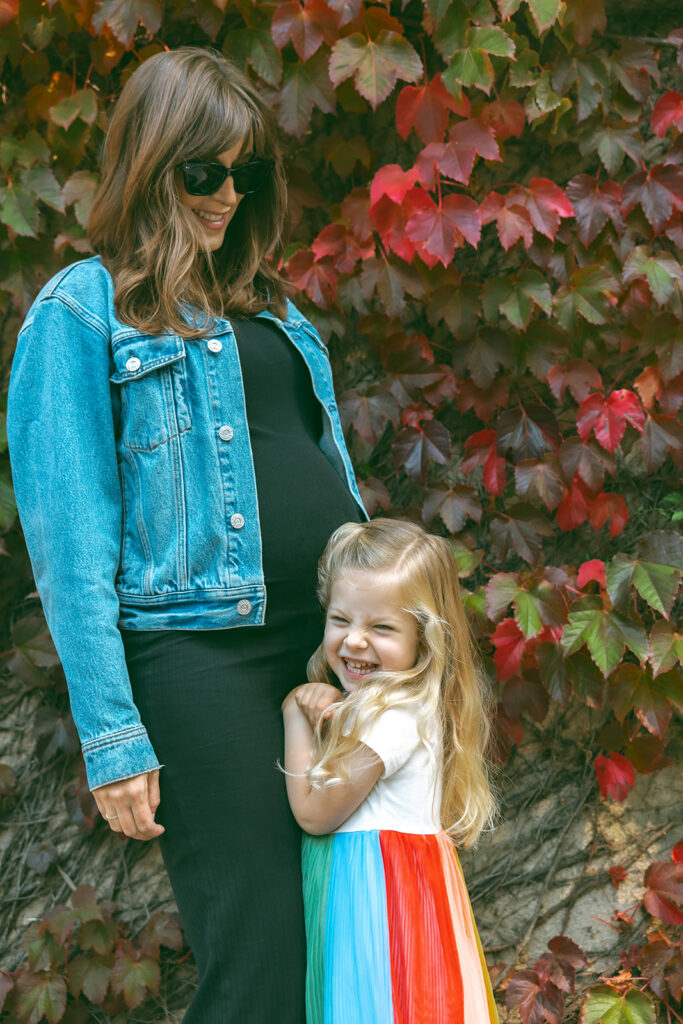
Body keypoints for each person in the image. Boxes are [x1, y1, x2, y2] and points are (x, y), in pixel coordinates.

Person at [7, 47, 366, 1023]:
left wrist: (394, 656)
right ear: (150, 163)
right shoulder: (85, 310)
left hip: (333, 657)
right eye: (204, 172)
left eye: (245, 174)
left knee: (353, 937)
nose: (226, 195)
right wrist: (114, 736)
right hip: (205, 660)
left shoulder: (277, 311)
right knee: (256, 958)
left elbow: (333, 477)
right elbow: (71, 545)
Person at [282, 518, 499, 1024]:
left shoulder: (395, 719)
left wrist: (296, 714)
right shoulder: (372, 706)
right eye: (341, 620)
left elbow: (315, 814)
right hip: (372, 895)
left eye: (381, 627)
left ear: (425, 638)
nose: (355, 642)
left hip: (384, 905)